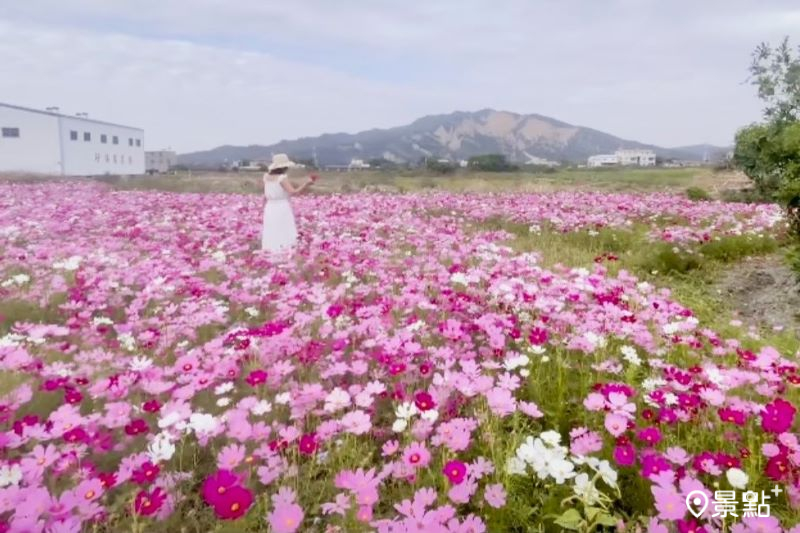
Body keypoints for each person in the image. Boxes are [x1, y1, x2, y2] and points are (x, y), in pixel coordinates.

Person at [261, 153, 316, 253]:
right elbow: (293, 192)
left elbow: (265, 193)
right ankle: (284, 252)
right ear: (284, 166)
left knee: (272, 229)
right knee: (284, 229)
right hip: (281, 206)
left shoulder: (266, 177)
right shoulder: (282, 178)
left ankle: (271, 252)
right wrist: (306, 184)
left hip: (270, 206)